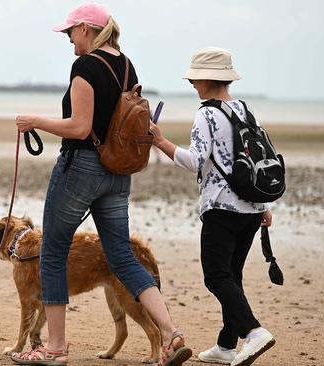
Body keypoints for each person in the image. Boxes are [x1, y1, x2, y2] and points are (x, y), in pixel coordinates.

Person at [12, 3, 191, 365]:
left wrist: (35, 120)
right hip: (118, 170)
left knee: (52, 253)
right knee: (122, 255)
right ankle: (171, 332)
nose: (67, 39)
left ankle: (55, 348)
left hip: (81, 168)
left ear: (86, 29)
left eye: (69, 32)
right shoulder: (127, 64)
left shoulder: (86, 65)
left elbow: (79, 127)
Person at [149, 47, 275, 366]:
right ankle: (226, 345)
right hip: (251, 206)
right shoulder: (244, 109)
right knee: (232, 274)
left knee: (216, 276)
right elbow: (257, 157)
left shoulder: (206, 114)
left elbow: (194, 162)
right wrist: (263, 204)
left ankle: (254, 333)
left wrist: (158, 141)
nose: (192, 83)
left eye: (194, 78)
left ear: (206, 79)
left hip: (221, 208)